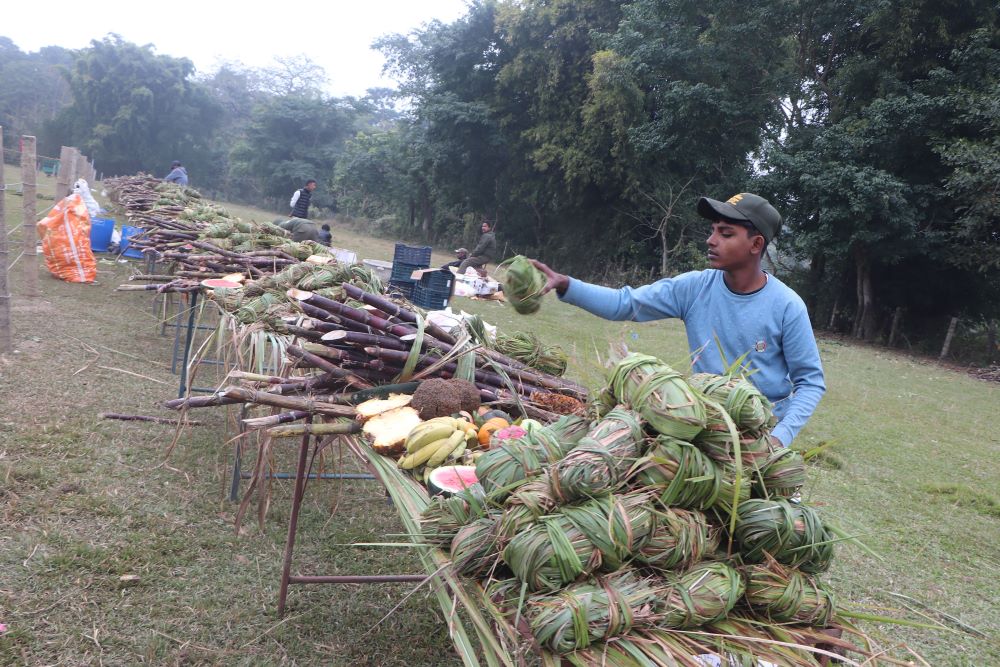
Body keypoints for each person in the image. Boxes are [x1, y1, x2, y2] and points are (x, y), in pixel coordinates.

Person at [531, 193, 825, 447]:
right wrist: (566, 284)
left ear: (756, 243)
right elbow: (626, 303)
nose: (711, 240)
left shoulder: (787, 305)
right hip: (702, 426)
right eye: (712, 230)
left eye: (725, 233)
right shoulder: (695, 288)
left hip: (760, 438)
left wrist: (779, 437)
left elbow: (810, 382)